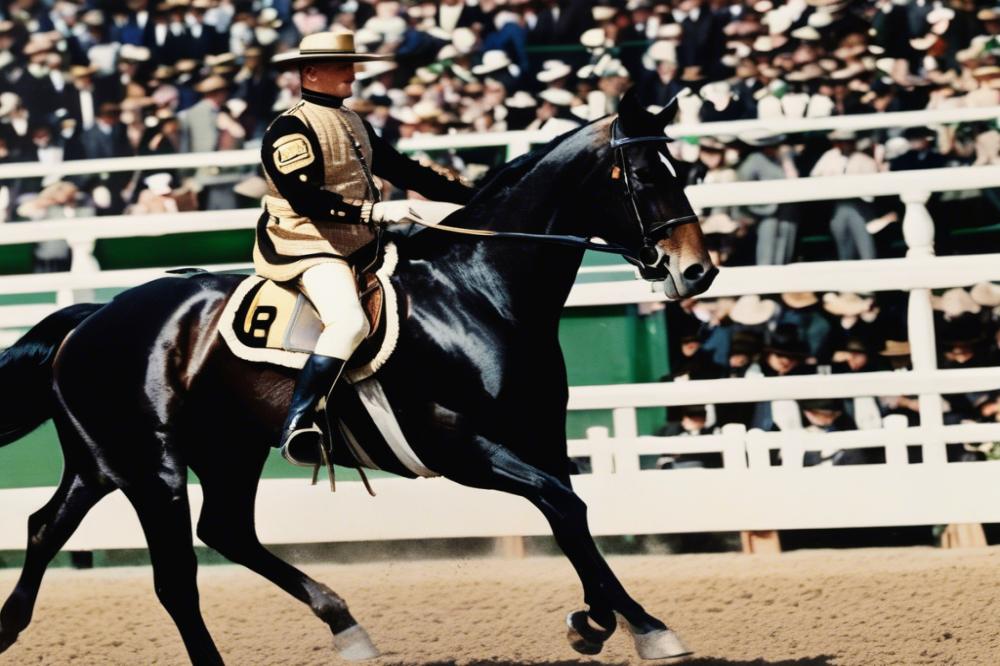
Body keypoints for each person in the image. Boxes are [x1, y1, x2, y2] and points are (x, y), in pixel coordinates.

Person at [256, 31, 474, 462]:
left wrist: (477, 197)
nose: (352, 73)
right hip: (307, 241)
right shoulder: (290, 128)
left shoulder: (353, 120)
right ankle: (299, 421)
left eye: (351, 64)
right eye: (342, 66)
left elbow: (405, 169)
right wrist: (374, 213)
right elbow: (306, 200)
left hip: (362, 239)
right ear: (310, 72)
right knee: (348, 322)